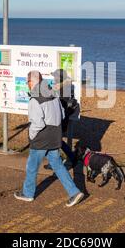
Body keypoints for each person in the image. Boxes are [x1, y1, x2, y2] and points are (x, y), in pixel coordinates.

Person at [14, 71, 84, 207]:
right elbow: (62, 114)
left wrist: (31, 135)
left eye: (27, 82)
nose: (27, 85)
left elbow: (37, 123)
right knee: (57, 164)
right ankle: (74, 192)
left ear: (31, 82)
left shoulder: (35, 99)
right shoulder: (53, 94)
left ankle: (28, 194)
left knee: (32, 166)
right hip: (55, 136)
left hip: (41, 138)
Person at [44, 69, 78, 170]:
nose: (54, 78)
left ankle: (57, 162)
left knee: (54, 140)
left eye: (56, 77)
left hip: (60, 119)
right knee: (57, 140)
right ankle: (72, 157)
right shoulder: (64, 87)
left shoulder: (61, 89)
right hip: (61, 119)